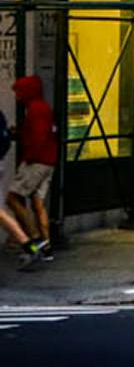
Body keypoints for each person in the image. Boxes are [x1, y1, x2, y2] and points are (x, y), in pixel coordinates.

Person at [7, 75, 56, 262]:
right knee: (38, 204)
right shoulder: (42, 108)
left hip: (36, 162)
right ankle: (47, 246)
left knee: (12, 198)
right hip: (48, 161)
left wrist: (28, 158)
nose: (17, 95)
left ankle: (34, 239)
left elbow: (38, 136)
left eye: (19, 91)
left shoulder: (34, 109)